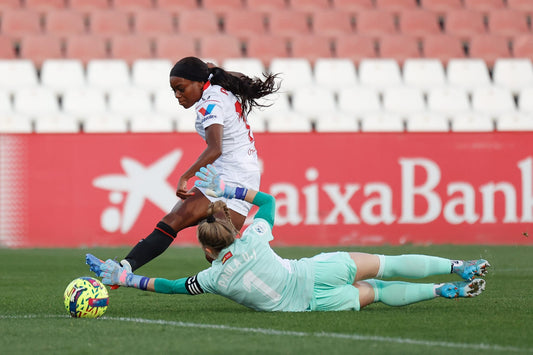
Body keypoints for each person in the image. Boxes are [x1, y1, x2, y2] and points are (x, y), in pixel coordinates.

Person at [87, 165, 490, 312]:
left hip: (309, 305)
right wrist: (226, 187)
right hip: (314, 272)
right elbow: (267, 200)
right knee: (385, 263)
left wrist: (125, 277)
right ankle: (458, 266)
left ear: (208, 249)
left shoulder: (213, 279)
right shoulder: (253, 239)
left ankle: (440, 291)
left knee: (380, 291)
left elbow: (173, 286)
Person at [118, 57, 280, 272]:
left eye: (181, 88)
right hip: (220, 173)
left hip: (240, 177)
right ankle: (124, 267)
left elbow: (215, 148)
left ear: (197, 83)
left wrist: (185, 176)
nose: (177, 95)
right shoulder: (213, 86)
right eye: (174, 90)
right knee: (173, 219)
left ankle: (278, 276)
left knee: (218, 254)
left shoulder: (210, 103)